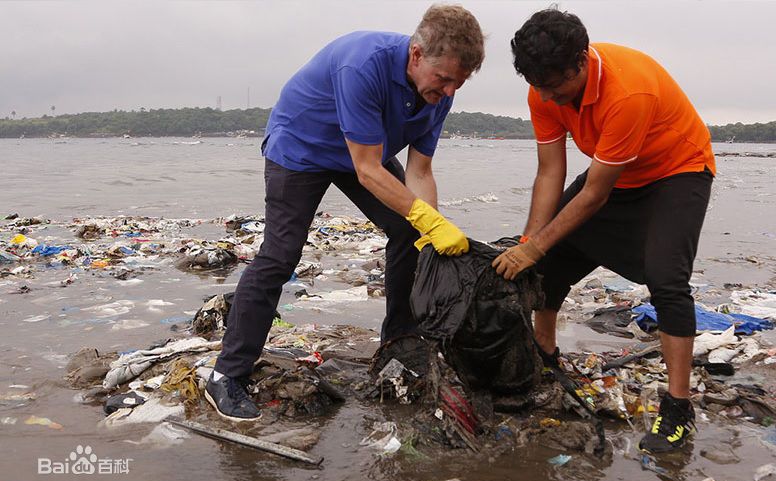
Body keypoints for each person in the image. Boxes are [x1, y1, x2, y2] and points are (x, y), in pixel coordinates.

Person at [206, 5, 485, 421]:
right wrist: (429, 220)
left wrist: (432, 224)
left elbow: (419, 171)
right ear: (415, 55)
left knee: (411, 231)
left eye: (457, 84)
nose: (447, 91)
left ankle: (400, 339)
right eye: (443, 79)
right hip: (301, 149)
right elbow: (369, 170)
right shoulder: (363, 65)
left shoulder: (439, 93)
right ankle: (226, 375)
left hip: (363, 153)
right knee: (280, 255)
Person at [495, 8, 715, 453]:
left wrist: (535, 247)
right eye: (537, 86)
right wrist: (529, 244)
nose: (547, 97)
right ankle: (546, 354)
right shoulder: (543, 91)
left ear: (581, 61)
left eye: (555, 86)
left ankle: (678, 408)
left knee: (666, 279)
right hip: (616, 175)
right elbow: (550, 171)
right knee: (550, 258)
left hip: (676, 172)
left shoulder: (626, 90)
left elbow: (594, 194)